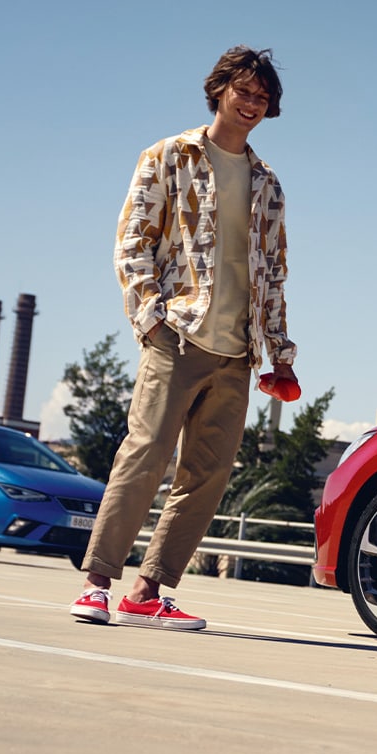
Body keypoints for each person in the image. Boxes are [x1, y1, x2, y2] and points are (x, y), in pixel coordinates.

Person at [69, 46, 299, 631]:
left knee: (207, 475)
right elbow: (131, 243)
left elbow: (273, 273)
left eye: (262, 98)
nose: (251, 104)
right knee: (143, 458)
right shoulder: (169, 156)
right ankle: (97, 583)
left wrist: (279, 352)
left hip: (237, 351)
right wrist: (151, 318)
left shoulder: (268, 184)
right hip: (178, 335)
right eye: (243, 92)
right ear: (219, 90)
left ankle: (149, 590)